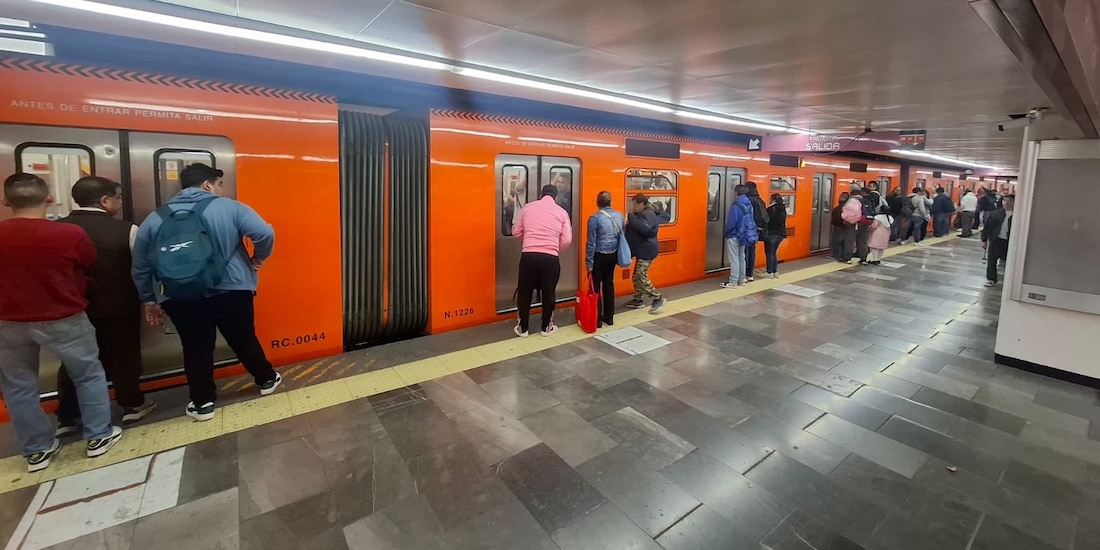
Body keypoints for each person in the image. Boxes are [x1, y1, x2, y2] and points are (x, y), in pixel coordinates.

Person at [132, 164, 280, 422]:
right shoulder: (231, 208)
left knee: (195, 347)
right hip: (231, 288)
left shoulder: (154, 218)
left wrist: (149, 300)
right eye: (219, 184)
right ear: (207, 184)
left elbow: (141, 266)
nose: (221, 190)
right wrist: (259, 258)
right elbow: (264, 232)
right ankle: (266, 379)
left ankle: (203, 403)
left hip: (179, 295)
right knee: (243, 337)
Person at [0, 173, 123, 472]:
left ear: (5, 202)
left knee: (18, 387)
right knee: (88, 374)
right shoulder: (69, 234)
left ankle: (37, 449)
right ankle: (98, 436)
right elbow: (88, 261)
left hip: (9, 321)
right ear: (50, 198)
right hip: (64, 317)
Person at [56, 177, 157, 436]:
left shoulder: (56, 229)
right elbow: (142, 268)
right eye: (118, 198)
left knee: (73, 361)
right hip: (119, 306)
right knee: (124, 355)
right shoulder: (126, 230)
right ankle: (132, 404)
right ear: (104, 201)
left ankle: (68, 416)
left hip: (72, 309)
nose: (119, 203)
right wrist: (150, 299)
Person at [511, 183, 572, 337]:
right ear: (555, 197)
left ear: (541, 195)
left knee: (525, 292)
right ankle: (546, 327)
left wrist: (529, 240)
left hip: (529, 256)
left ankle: (523, 328)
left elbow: (516, 231)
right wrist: (553, 247)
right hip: (550, 258)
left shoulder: (527, 208)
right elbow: (567, 239)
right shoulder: (562, 212)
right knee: (548, 293)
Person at [585, 191, 624, 328]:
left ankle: (597, 319)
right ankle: (609, 317)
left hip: (599, 256)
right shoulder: (619, 215)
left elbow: (591, 242)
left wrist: (589, 262)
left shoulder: (594, 218)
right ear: (610, 202)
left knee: (595, 287)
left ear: (597, 203)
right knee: (608, 284)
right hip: (613, 255)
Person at [624, 194, 667, 314]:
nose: (633, 207)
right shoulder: (642, 214)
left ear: (642, 204)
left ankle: (657, 298)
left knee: (640, 276)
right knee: (636, 275)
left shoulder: (649, 214)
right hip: (642, 249)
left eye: (635, 205)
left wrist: (631, 217)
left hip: (647, 251)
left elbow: (644, 229)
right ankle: (638, 299)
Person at [720, 185, 757, 288]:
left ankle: (733, 281)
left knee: (734, 259)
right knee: (741, 257)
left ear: (736, 193)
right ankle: (741, 280)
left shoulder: (736, 206)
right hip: (744, 234)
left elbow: (732, 222)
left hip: (734, 234)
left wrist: (726, 232)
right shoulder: (749, 205)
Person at [982, 194, 1014, 287]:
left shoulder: (1018, 215)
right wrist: (984, 240)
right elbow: (987, 227)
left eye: (1010, 201)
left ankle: (1010, 280)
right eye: (1004, 200)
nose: (1006, 203)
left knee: (1010, 261)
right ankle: (991, 279)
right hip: (996, 240)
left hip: (1010, 242)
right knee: (992, 260)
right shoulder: (995, 214)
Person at [742, 182, 769, 282]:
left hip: (748, 229)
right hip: (756, 230)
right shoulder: (760, 200)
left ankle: (743, 274)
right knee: (752, 251)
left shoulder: (748, 200)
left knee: (744, 252)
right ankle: (750, 274)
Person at [763, 194, 787, 278]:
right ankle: (775, 271)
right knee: (773, 252)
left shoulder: (771, 209)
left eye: (770, 198)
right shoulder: (782, 209)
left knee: (769, 252)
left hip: (772, 233)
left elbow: (767, 220)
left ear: (773, 200)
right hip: (780, 234)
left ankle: (769, 272)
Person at [839, 188, 864, 263]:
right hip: (864, 223)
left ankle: (847, 258)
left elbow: (846, 213)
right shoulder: (865, 200)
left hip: (852, 223)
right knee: (862, 241)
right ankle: (863, 258)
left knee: (849, 240)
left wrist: (844, 217)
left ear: (851, 194)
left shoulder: (851, 201)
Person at [830, 192, 849, 259]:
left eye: (841, 196)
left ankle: (836, 254)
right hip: (842, 225)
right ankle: (841, 254)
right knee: (842, 240)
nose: (839, 197)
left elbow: (838, 215)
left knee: (837, 240)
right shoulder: (845, 206)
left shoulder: (842, 207)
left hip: (839, 225)